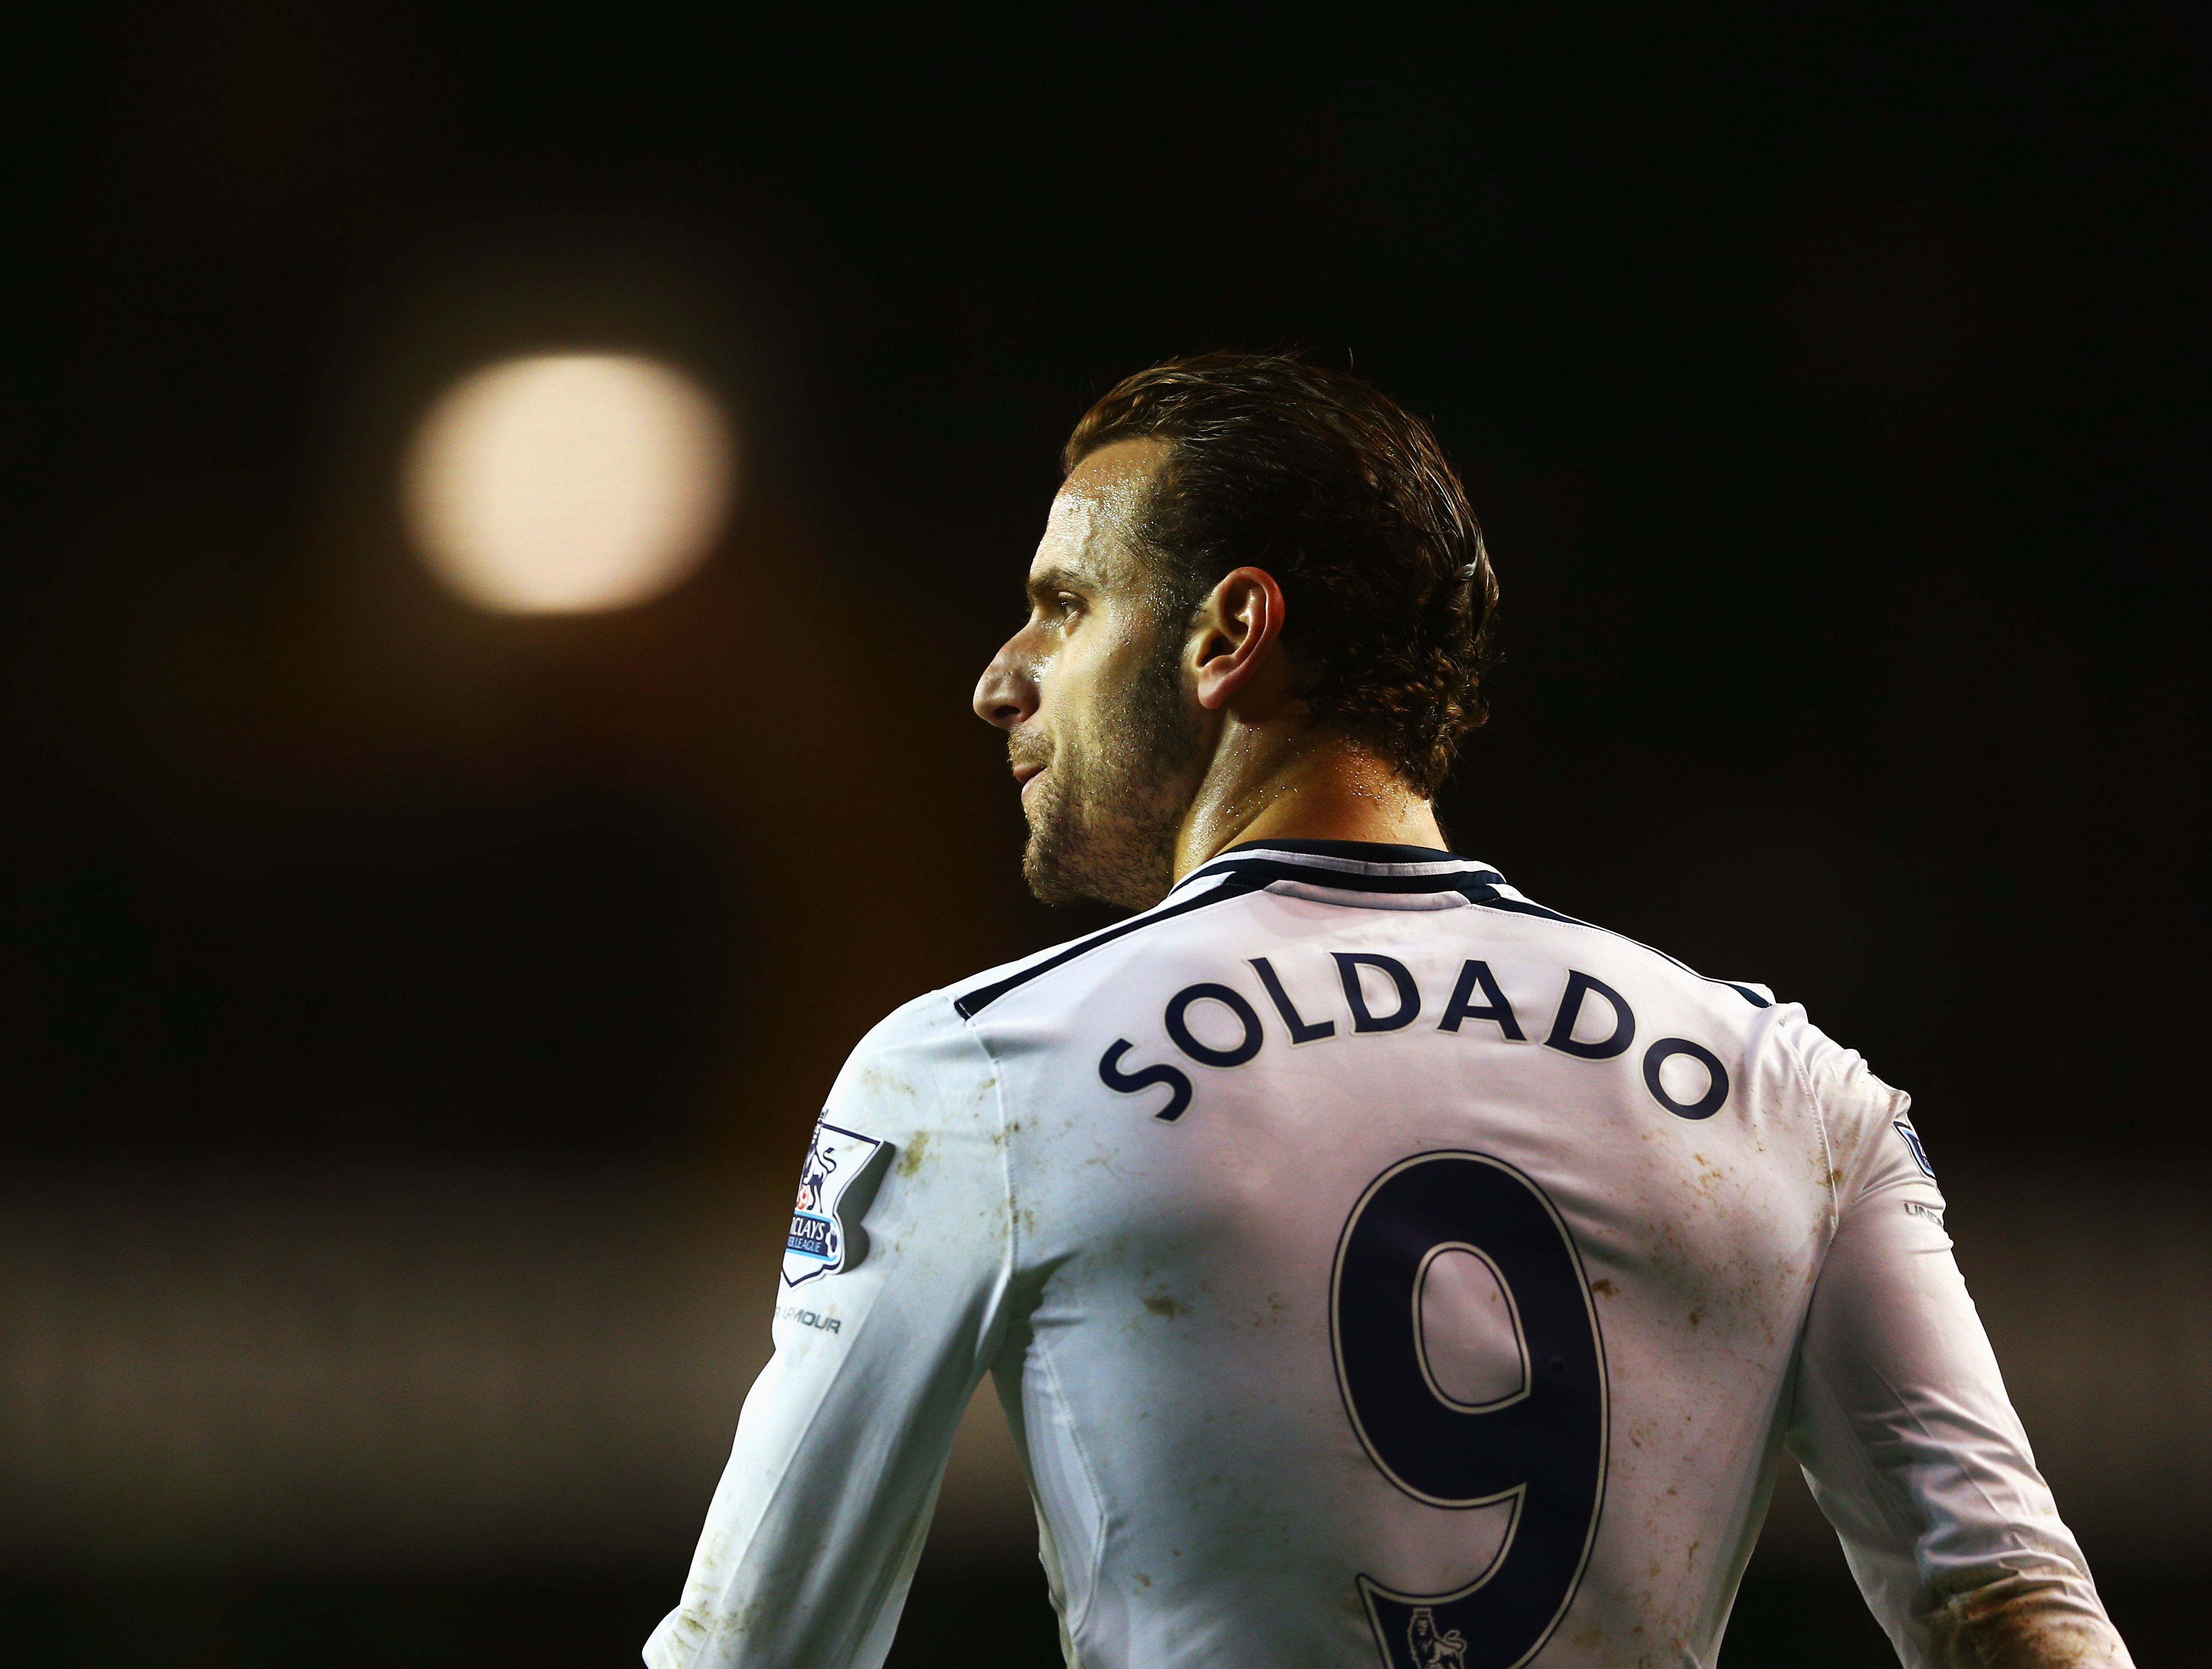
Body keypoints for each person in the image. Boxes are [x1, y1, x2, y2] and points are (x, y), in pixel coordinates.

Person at [643, 353, 2130, 1668]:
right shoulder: (1789, 1089)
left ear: (1229, 635)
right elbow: (2011, 1618)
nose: (998, 680)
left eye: (1063, 605)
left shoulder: (975, 1068)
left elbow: (759, 1643)